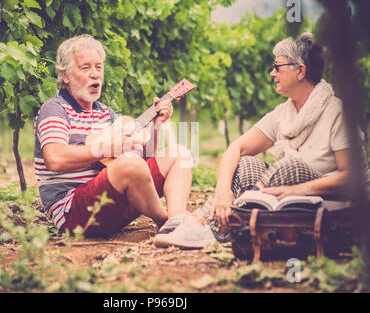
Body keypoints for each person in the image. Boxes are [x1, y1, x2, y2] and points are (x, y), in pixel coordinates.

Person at [154, 32, 367, 248]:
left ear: (300, 70)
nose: (271, 73)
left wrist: (298, 190)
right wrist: (222, 191)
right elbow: (236, 148)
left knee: (290, 165)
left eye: (278, 67)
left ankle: (214, 224)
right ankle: (220, 217)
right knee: (246, 163)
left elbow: (351, 176)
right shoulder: (284, 113)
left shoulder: (337, 112)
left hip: (338, 202)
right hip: (292, 199)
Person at [34, 34, 194, 238]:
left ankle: (178, 220)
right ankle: (166, 221)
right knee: (129, 163)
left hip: (111, 204)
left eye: (99, 67)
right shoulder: (55, 109)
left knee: (180, 154)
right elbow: (55, 160)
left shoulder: (105, 114)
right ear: (65, 75)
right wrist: (107, 148)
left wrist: (155, 126)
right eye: (85, 68)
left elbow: (143, 164)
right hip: (74, 215)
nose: (95, 74)